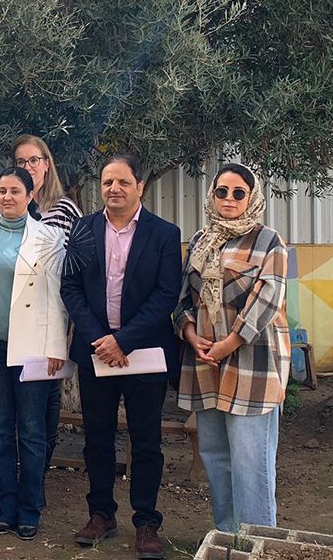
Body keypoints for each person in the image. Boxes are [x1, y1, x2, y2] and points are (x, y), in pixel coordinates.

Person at [60, 155, 182, 558]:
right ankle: (101, 515)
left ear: (140, 186)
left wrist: (123, 340)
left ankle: (146, 522)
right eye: (108, 181)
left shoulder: (164, 234)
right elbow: (71, 287)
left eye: (123, 182)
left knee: (145, 441)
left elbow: (166, 294)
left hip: (143, 353)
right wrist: (100, 339)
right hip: (97, 352)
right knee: (97, 439)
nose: (114, 188)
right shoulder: (83, 229)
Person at [174, 163, 290, 532]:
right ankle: (226, 539)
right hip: (205, 363)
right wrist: (191, 335)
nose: (229, 199)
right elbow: (183, 299)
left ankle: (257, 542)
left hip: (250, 363)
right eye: (222, 191)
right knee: (215, 456)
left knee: (250, 460)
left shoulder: (268, 241)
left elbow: (267, 300)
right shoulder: (200, 241)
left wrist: (230, 342)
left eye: (238, 193)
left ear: (251, 198)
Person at [0, 134, 81, 509]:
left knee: (32, 432)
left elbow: (58, 300)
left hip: (33, 348)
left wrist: (56, 349)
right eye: (2, 190)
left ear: (30, 195)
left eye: (15, 191)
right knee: (0, 430)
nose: (7, 197)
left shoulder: (49, 236)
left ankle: (30, 508)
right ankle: (5, 506)